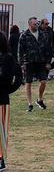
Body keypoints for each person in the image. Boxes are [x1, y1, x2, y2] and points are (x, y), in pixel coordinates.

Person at [18, 17, 52, 112]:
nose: (36, 25)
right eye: (34, 24)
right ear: (29, 25)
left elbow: (48, 49)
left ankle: (39, 99)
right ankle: (30, 104)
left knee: (43, 81)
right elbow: (20, 51)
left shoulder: (43, 34)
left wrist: (48, 62)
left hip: (41, 62)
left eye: (37, 23)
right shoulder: (24, 35)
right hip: (29, 62)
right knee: (28, 83)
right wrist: (21, 64)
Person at [0, 31, 22, 172]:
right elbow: (18, 77)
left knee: (1, 132)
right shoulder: (9, 58)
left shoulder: (8, 58)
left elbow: (17, 76)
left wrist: (9, 90)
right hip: (3, 97)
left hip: (1, 99)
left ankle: (1, 159)